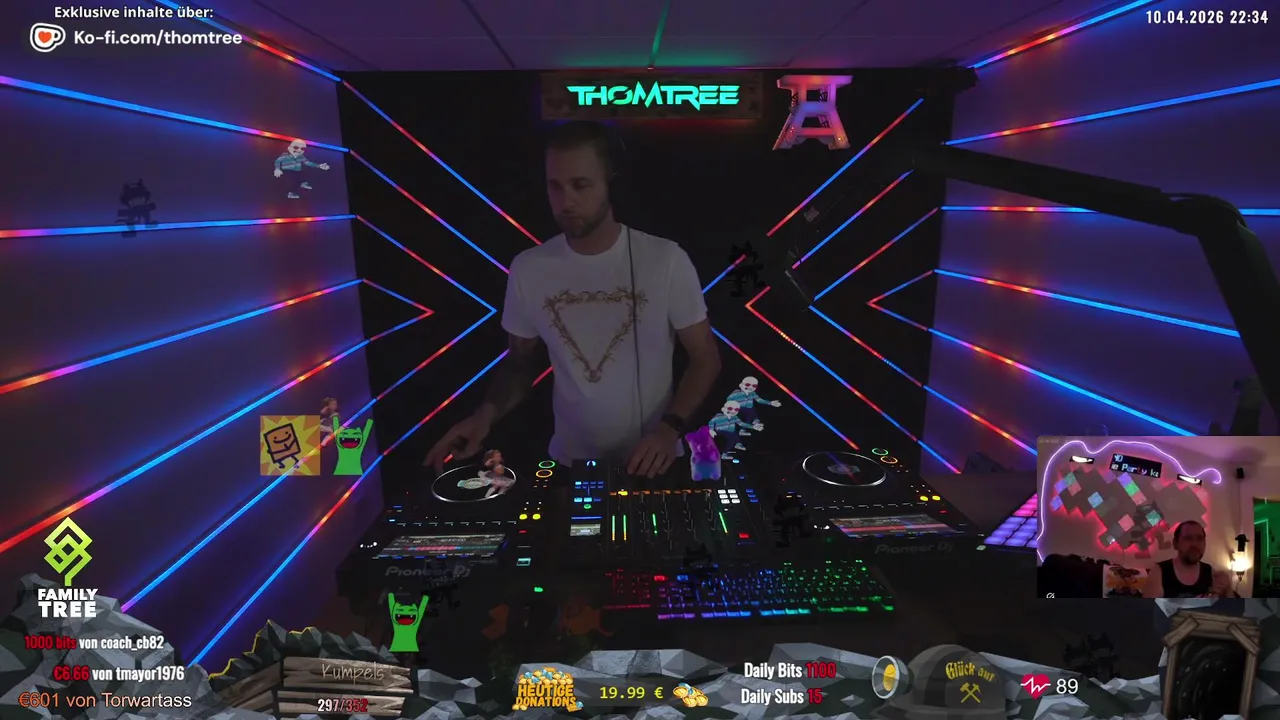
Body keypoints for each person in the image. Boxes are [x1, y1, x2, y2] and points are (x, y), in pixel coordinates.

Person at [423, 121, 721, 477]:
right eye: (555, 186)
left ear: (612, 184)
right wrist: (482, 417)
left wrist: (668, 430)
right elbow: (519, 363)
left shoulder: (666, 260)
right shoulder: (529, 268)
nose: (566, 202)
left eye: (580, 185)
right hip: (568, 463)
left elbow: (705, 359)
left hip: (653, 461)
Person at [1142, 520, 1234, 598]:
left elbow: (1232, 609)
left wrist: (1227, 590)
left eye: (1199, 538)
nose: (1194, 544)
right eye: (1188, 538)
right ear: (1175, 543)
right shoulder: (1159, 572)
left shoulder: (1210, 572)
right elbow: (1149, 611)